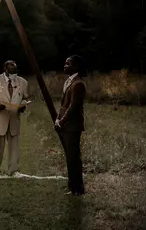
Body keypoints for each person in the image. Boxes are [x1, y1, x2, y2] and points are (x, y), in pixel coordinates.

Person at [0, 60, 28, 177]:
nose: (13, 74)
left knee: (14, 148)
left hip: (14, 119)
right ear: (5, 70)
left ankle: (13, 171)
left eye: (15, 72)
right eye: (11, 72)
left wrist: (22, 106)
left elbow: (24, 98)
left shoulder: (23, 82)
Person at [55, 55, 86, 196]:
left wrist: (61, 122)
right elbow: (64, 105)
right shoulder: (69, 81)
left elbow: (73, 107)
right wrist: (57, 118)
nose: (65, 66)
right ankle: (72, 186)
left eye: (68, 64)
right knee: (69, 156)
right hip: (66, 125)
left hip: (72, 126)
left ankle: (78, 188)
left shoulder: (78, 83)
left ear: (76, 66)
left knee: (73, 157)